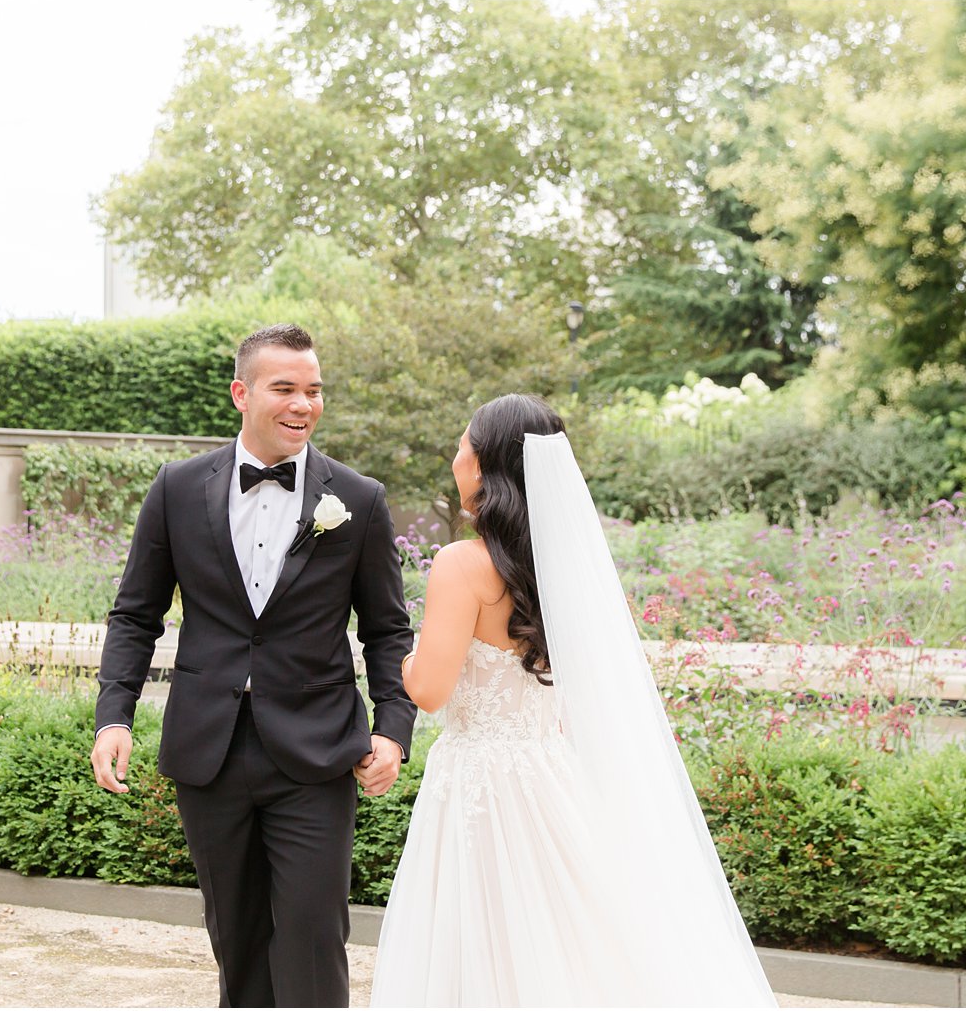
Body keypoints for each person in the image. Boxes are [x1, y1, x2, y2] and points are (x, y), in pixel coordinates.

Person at [370, 393, 776, 1007]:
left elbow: (428, 689)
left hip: (480, 783)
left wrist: (400, 660)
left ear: (484, 466)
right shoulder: (560, 567)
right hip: (552, 776)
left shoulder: (460, 564)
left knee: (481, 941)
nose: (455, 459)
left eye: (462, 446)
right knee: (570, 938)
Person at [91, 323, 416, 1008]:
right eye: (286, 388)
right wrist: (113, 715)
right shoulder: (177, 488)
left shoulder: (357, 499)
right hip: (211, 750)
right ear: (242, 392)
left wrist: (393, 729)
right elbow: (135, 614)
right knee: (236, 943)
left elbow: (387, 629)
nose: (304, 404)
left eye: (314, 390)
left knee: (311, 936)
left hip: (317, 751)